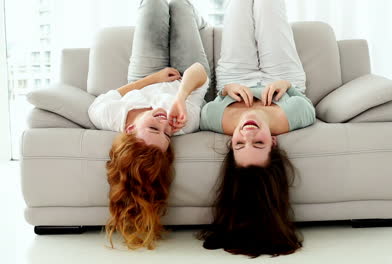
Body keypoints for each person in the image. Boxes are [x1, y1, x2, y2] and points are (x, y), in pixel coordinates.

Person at [87, 0, 210, 250]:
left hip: (145, 76)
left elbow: (105, 98)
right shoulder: (182, 122)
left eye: (153, 128)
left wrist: (151, 79)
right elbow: (199, 72)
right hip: (186, 78)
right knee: (180, 5)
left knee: (152, 4)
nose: (164, 124)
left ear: (129, 130)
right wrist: (180, 97)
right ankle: (198, 21)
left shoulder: (110, 116)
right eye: (166, 135)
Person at [198, 0, 316, 257]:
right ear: (274, 142)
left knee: (238, 5)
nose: (248, 134)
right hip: (282, 74)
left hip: (235, 75)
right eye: (258, 143)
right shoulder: (291, 117)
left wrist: (226, 90)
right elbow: (305, 105)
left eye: (240, 143)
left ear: (231, 144)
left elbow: (207, 107)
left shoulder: (215, 120)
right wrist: (286, 86)